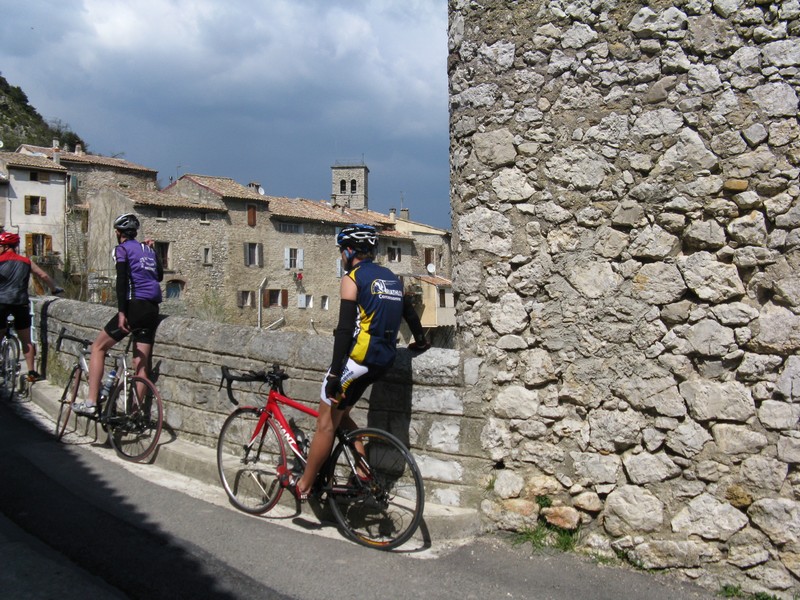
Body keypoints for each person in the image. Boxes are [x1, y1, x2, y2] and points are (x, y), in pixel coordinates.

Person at [283, 223, 430, 500]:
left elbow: (344, 329)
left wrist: (334, 374)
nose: (341, 256)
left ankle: (303, 485)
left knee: (325, 424)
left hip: (358, 360)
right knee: (341, 415)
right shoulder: (391, 278)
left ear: (351, 251)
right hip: (383, 359)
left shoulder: (352, 278)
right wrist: (421, 342)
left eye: (342, 250)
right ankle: (361, 471)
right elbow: (410, 314)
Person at [73, 213, 163, 415]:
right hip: (152, 309)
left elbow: (121, 281)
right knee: (141, 365)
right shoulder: (148, 250)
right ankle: (134, 414)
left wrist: (122, 312)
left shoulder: (121, 249)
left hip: (134, 307)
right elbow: (159, 276)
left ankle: (91, 402)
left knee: (98, 347)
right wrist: (153, 252)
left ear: (118, 232)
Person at [0, 231, 63, 382]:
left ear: (6, 246)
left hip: (1, 303)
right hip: (21, 303)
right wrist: (54, 289)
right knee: (26, 340)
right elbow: (43, 275)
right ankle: (31, 372)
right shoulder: (26, 261)